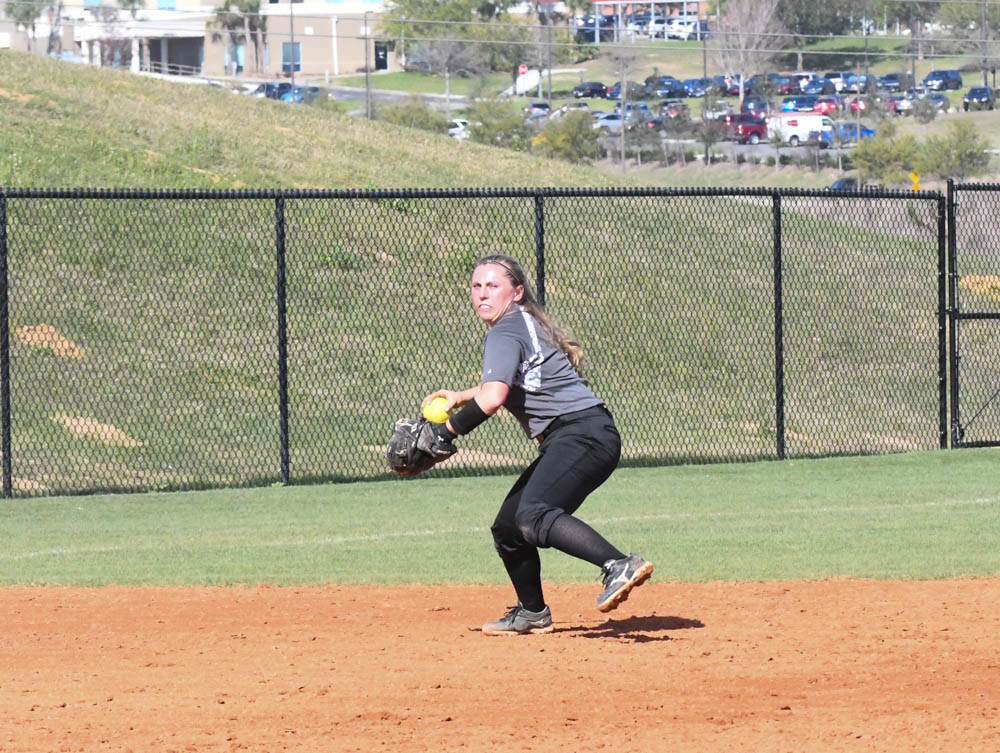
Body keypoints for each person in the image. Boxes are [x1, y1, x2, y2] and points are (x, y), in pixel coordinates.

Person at [421, 254, 653, 636]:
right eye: (477, 286)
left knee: (532, 514)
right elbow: (507, 383)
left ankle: (618, 564)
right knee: (509, 527)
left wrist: (444, 433)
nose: (482, 294)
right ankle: (532, 612)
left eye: (493, 286)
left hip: (580, 434)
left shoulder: (505, 330)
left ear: (516, 292)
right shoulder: (523, 323)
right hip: (586, 433)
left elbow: (494, 398)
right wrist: (461, 396)